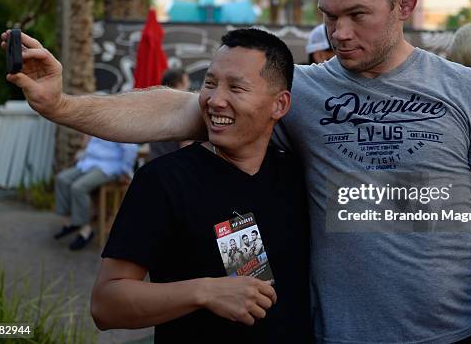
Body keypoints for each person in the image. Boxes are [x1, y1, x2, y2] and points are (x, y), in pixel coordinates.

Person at [2, 0, 471, 343]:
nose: (339, 34)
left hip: (454, 335)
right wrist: (61, 103)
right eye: (329, 16)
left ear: (405, 4)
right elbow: (173, 109)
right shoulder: (297, 91)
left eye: (357, 15)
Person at [90, 29, 311, 342]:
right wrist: (204, 291)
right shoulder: (163, 180)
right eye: (209, 83)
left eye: (236, 87)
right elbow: (105, 305)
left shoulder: (300, 173)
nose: (215, 100)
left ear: (279, 105)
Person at [53, 136, 138, 250]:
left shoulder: (117, 122)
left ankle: (85, 230)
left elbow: (131, 149)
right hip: (89, 163)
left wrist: (124, 170)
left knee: (78, 188)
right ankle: (73, 221)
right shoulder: (99, 121)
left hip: (108, 166)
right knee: (62, 179)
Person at [148, 67, 191, 160]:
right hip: (174, 166)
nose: (189, 85)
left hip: (155, 163)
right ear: (179, 84)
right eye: (187, 81)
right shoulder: (183, 108)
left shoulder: (154, 105)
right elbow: (186, 146)